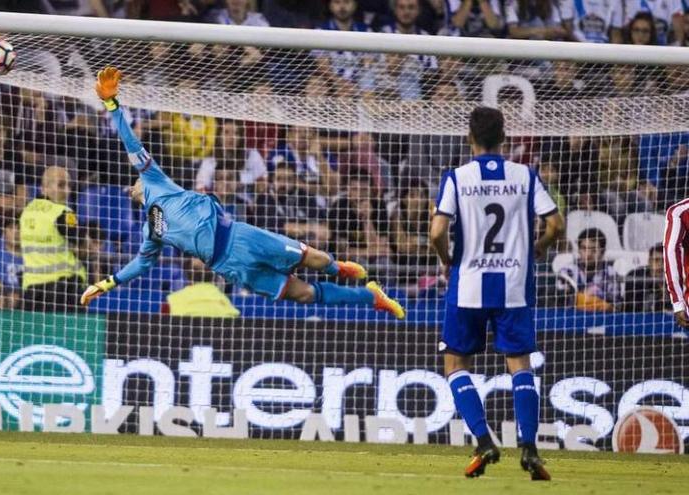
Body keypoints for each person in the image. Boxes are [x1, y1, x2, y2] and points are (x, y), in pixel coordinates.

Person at [80, 67, 405, 318]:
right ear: (130, 193)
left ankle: (339, 268)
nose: (133, 181)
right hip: (228, 265)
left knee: (318, 260)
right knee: (304, 294)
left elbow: (131, 141)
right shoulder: (151, 230)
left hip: (241, 236)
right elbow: (140, 264)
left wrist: (111, 103)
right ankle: (372, 297)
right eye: (131, 183)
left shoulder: (155, 178)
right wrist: (106, 284)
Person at [429, 107, 565, 480]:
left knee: (455, 365)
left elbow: (437, 230)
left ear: (469, 137)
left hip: (468, 284)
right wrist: (539, 247)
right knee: (519, 365)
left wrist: (447, 259)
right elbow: (556, 223)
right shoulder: (525, 175)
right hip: (514, 286)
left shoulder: (457, 177)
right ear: (504, 137)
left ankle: (484, 441)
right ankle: (529, 448)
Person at [20, 166, 88, 311]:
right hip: (62, 290)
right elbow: (82, 246)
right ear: (44, 187)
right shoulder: (64, 213)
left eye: (69, 185)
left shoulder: (27, 211)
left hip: (31, 288)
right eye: (61, 185)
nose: (67, 191)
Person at [558, 228, 622, 310]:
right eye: (584, 249)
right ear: (578, 250)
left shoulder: (611, 273)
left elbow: (615, 307)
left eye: (594, 250)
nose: (588, 255)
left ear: (603, 252)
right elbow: (561, 302)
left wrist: (595, 298)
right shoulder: (567, 272)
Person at [664, 198, 689, 328]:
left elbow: (672, 253)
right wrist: (678, 301)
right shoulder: (681, 212)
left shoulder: (680, 211)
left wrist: (678, 302)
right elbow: (672, 253)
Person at [623, 244, 670, 313]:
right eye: (656, 260)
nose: (660, 264)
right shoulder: (636, 277)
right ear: (649, 261)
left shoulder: (674, 280)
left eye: (664, 261)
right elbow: (634, 307)